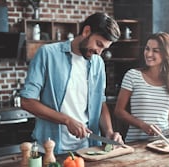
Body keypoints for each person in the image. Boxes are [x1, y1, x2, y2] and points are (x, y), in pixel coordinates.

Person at [20, 12, 124, 154]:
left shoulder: (97, 63)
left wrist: (109, 133)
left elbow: (100, 102)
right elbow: (27, 101)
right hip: (50, 149)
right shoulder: (48, 54)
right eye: (98, 44)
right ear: (86, 31)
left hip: (87, 149)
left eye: (103, 49)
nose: (99, 52)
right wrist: (67, 120)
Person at [114, 32, 169, 142]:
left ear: (166, 54)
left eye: (155, 51)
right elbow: (118, 111)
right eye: (147, 49)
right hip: (136, 143)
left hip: (163, 143)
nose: (148, 54)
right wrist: (142, 125)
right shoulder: (132, 75)